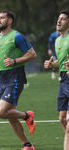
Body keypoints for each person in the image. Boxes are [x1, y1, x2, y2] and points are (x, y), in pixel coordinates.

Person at [0, 10, 37, 150]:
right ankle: (27, 145)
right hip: (2, 78)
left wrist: (15, 61)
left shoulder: (17, 36)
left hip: (15, 76)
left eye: (2, 18)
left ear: (10, 21)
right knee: (10, 116)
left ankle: (27, 116)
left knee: (0, 112)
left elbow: (32, 54)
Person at [44, 10, 69, 150]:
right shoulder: (58, 40)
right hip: (63, 80)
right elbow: (60, 62)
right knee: (62, 119)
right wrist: (51, 64)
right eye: (58, 19)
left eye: (63, 19)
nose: (59, 21)